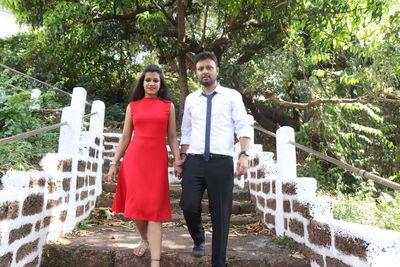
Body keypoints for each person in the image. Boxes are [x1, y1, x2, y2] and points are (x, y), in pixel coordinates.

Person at [179, 51, 251, 267]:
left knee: (220, 213)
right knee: (188, 205)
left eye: (209, 67)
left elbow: (243, 126)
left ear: (216, 70)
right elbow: (187, 132)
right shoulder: (191, 99)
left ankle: (218, 262)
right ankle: (198, 237)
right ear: (196, 73)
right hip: (194, 160)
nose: (205, 72)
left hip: (221, 162)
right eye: (201, 69)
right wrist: (182, 158)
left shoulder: (232, 96)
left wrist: (244, 155)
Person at [108, 64, 182, 267]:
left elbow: (173, 137)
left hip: (157, 162)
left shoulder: (168, 106)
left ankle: (155, 261)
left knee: (155, 210)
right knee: (135, 207)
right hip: (134, 160)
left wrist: (177, 160)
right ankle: (144, 239)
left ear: (160, 84)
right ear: (143, 83)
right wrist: (114, 163)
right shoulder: (133, 106)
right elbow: (125, 137)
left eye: (155, 80)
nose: (151, 83)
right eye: (148, 80)